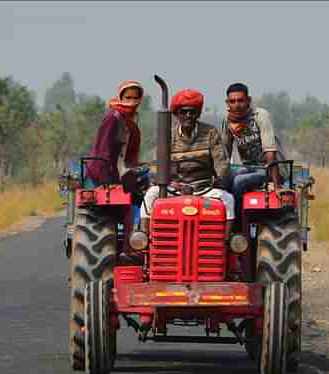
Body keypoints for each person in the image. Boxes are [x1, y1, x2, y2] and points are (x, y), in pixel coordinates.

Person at [140, 89, 234, 237]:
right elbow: (155, 166)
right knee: (150, 195)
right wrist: (170, 183)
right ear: (176, 114)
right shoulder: (167, 136)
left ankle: (226, 241)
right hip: (175, 188)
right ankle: (144, 238)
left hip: (203, 188)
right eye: (183, 112)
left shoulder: (210, 133)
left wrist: (219, 179)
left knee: (228, 199)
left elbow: (222, 162)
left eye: (192, 112)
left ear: (198, 114)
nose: (188, 116)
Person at [84, 80, 144, 263]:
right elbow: (102, 151)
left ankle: (147, 246)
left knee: (150, 199)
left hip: (121, 175)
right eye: (127, 97)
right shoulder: (112, 118)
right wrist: (107, 182)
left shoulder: (132, 126)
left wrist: (138, 174)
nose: (131, 102)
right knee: (129, 210)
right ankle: (130, 250)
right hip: (103, 177)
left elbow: (131, 158)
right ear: (120, 98)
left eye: (135, 98)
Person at [221, 82, 281, 218]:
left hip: (268, 169)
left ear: (248, 100)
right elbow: (224, 153)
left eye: (241, 100)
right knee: (227, 179)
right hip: (247, 167)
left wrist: (277, 187)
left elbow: (270, 151)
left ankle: (237, 222)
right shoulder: (228, 121)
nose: (237, 105)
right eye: (232, 101)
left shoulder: (260, 116)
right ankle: (223, 220)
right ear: (227, 103)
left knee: (239, 181)